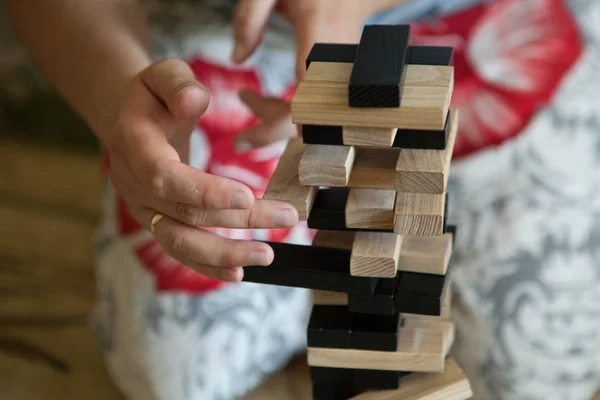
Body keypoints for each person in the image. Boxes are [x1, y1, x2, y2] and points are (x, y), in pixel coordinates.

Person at [6, 0, 600, 399]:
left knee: (541, 370)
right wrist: (118, 98)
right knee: (177, 376)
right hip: (233, 41)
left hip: (494, 25)